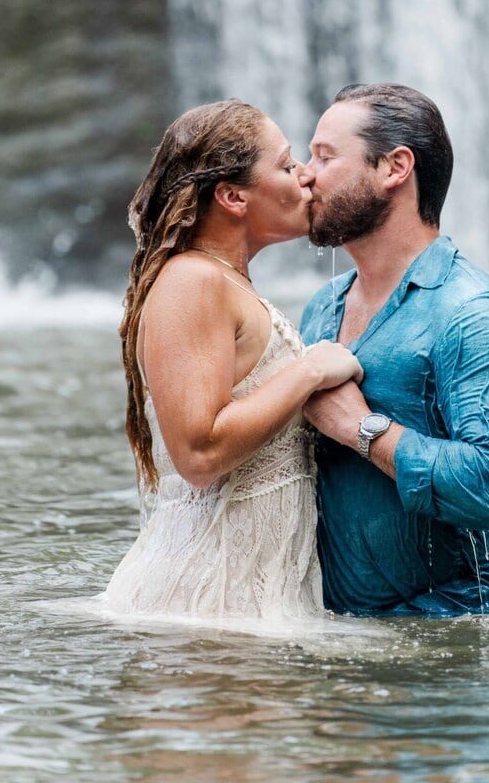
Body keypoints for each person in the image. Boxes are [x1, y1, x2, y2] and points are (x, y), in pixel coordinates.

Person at [98, 99, 361, 625]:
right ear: (233, 196)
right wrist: (310, 371)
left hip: (240, 603)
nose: (306, 175)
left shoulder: (223, 282)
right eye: (286, 165)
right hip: (202, 602)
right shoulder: (192, 281)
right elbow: (199, 453)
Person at [300, 83, 489, 617]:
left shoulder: (471, 311)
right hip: (335, 632)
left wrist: (363, 430)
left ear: (395, 167)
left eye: (325, 157)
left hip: (443, 633)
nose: (305, 175)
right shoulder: (323, 306)